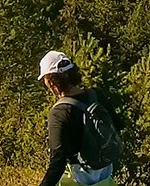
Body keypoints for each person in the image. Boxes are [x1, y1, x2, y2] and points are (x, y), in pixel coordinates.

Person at [38, 50, 121, 186]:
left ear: (51, 81)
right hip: (105, 177)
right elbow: (117, 125)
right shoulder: (96, 95)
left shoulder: (59, 112)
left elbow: (58, 160)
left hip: (79, 179)